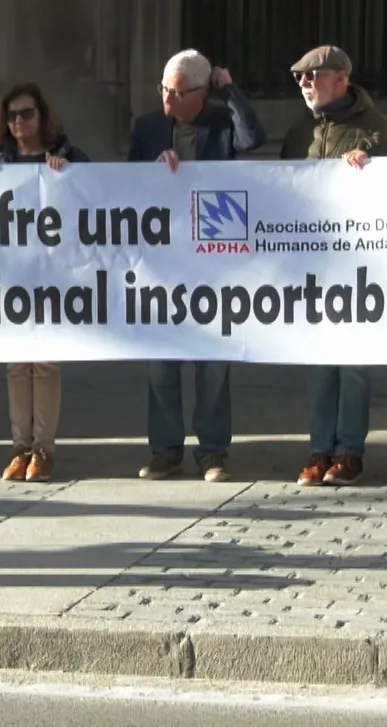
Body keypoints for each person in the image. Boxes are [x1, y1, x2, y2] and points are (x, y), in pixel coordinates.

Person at [127, 49, 265, 483]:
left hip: (214, 258)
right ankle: (165, 450)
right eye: (164, 90)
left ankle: (212, 452)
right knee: (162, 361)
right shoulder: (148, 127)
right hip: (164, 259)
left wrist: (231, 90)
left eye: (179, 92)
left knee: (212, 363)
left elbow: (252, 139)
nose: (168, 99)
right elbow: (125, 182)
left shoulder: (222, 121)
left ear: (202, 92)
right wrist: (152, 171)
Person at [279, 46, 387, 488]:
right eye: (300, 78)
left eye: (313, 75)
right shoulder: (299, 132)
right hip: (313, 262)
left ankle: (349, 450)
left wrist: (370, 169)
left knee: (353, 360)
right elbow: (284, 191)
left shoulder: (375, 129)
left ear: (342, 79)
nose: (305, 84)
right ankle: (319, 448)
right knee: (319, 359)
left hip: (357, 262)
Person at [0, 83, 89, 483]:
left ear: (42, 117)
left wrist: (69, 176)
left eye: (26, 114)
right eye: (12, 116)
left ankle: (44, 447)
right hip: (12, 273)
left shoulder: (67, 155)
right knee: (16, 362)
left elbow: (96, 194)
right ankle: (19, 447)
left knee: (44, 361)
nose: (19, 122)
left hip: (52, 272)